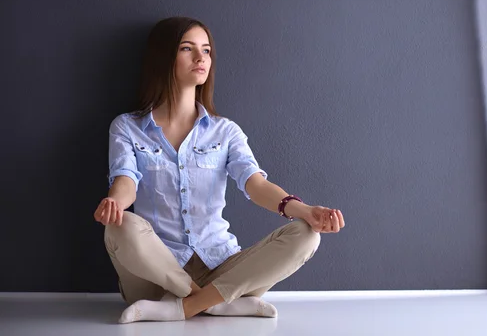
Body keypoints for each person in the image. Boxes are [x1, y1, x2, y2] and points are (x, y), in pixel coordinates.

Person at [93, 17, 346, 324]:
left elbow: (255, 185)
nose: (201, 58)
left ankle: (187, 306)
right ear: (163, 56)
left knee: (307, 235)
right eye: (188, 49)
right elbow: (125, 181)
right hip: (155, 274)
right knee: (120, 226)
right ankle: (217, 302)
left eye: (207, 50)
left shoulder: (225, 132)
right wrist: (114, 204)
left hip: (222, 266)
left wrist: (305, 210)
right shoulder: (127, 127)